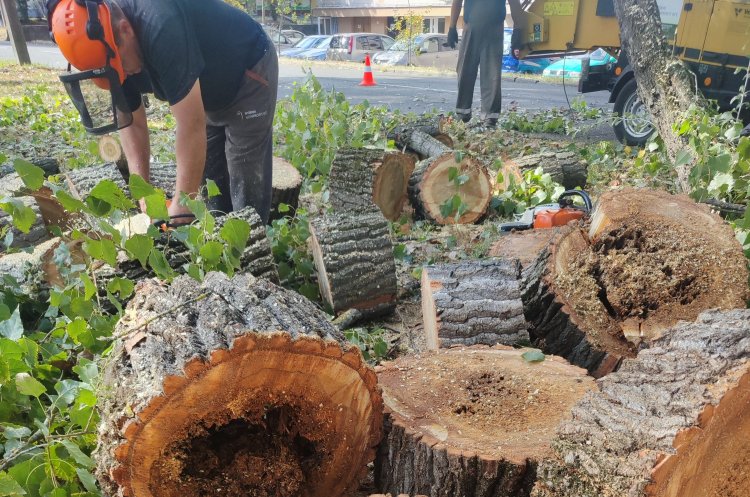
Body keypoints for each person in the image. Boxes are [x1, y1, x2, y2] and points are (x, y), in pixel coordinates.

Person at [47, 0, 277, 224]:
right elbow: (131, 123)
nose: (124, 75)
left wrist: (182, 205)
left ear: (125, 30)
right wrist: (143, 192)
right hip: (204, 90)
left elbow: (190, 125)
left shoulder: (160, 24)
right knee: (213, 186)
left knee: (246, 186)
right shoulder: (110, 55)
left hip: (247, 71)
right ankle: (220, 245)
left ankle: (253, 244)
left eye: (121, 67)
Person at [447, 0, 524, 127]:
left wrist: (518, 32)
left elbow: (515, 4)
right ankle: (462, 113)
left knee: (492, 75)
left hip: (494, 31)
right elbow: (457, 1)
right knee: (464, 71)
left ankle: (490, 118)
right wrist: (451, 27)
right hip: (470, 27)